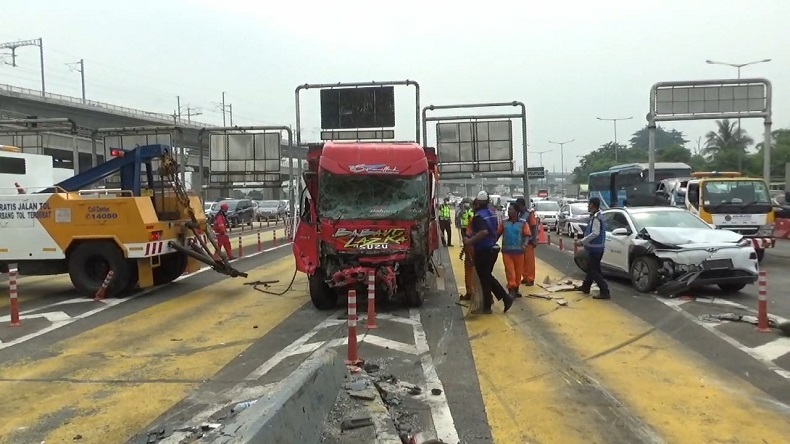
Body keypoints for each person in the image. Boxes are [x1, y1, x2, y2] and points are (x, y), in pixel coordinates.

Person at [464, 191, 514, 314]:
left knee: (484, 277)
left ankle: (493, 303)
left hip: (484, 250)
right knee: (486, 277)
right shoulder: (491, 213)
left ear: (479, 202)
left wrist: (470, 241)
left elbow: (483, 232)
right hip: (492, 248)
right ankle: (494, 301)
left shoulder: (479, 216)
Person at [574, 197, 611, 299]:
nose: (588, 205)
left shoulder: (596, 218)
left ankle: (605, 291)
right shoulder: (596, 216)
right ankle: (586, 287)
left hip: (595, 249)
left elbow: (595, 233)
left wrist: (582, 242)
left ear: (592, 205)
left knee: (594, 271)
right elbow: (581, 220)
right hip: (595, 248)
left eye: (589, 203)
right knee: (591, 269)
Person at [498, 204, 530, 298]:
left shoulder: (523, 223)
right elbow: (498, 233)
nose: (509, 211)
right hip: (507, 251)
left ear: (516, 212)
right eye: (508, 209)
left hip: (519, 251)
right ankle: (511, 289)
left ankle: (516, 289)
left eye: (511, 209)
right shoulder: (504, 222)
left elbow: (527, 234)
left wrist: (525, 244)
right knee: (510, 271)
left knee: (518, 272)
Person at [515, 197, 537, 286]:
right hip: (521, 241)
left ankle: (530, 278)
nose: (517, 208)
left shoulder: (529, 214)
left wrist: (535, 239)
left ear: (522, 205)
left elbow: (534, 227)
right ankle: (525, 277)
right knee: (523, 261)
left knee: (529, 261)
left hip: (529, 241)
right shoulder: (519, 215)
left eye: (518, 206)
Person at [460, 202, 476, 301]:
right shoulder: (486, 217)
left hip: (472, 250)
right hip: (478, 250)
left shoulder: (473, 220)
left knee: (471, 272)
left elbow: (468, 236)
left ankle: (471, 292)